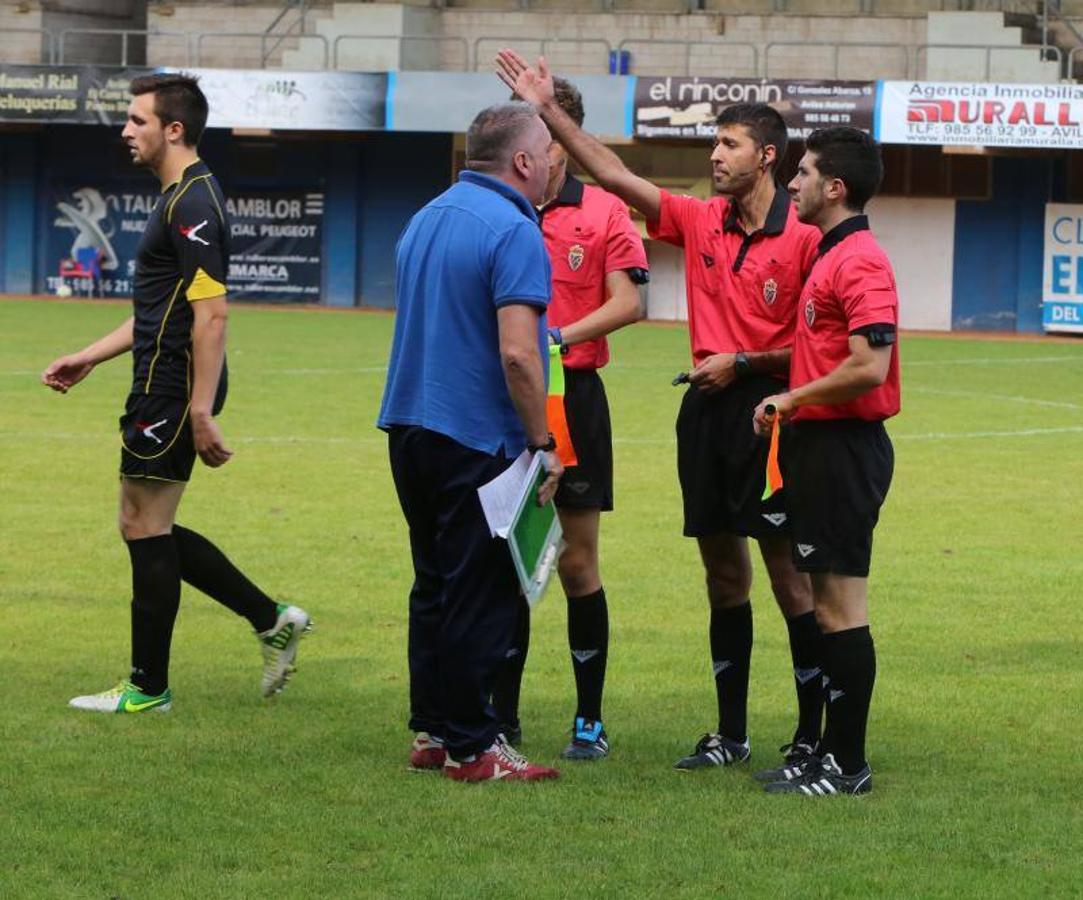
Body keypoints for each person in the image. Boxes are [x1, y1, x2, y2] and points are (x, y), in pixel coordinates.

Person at [496, 52, 826, 776]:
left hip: (770, 414)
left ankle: (810, 735)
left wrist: (743, 362)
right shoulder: (699, 220)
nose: (713, 156)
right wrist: (547, 110)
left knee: (788, 579)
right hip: (704, 413)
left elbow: (818, 346)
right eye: (713, 144)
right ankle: (730, 733)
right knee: (721, 576)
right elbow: (612, 174)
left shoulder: (805, 237)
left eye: (728, 145)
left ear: (766, 157)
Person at [41, 74, 311, 714]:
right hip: (159, 378)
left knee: (143, 523)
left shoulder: (192, 202)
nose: (126, 131)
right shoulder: (177, 197)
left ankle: (148, 687)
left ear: (173, 129)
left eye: (136, 120)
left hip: (171, 386)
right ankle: (269, 619)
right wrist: (89, 356)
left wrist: (197, 407)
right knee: (144, 523)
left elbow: (211, 314)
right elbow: (156, 311)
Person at [378, 102, 564, 783]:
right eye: (548, 153)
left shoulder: (426, 216)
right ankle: (473, 746)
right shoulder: (514, 229)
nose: (553, 166)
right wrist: (541, 442)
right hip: (475, 435)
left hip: (408, 426)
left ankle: (431, 730)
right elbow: (519, 354)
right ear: (521, 161)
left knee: (432, 584)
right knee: (476, 593)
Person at [490, 77, 649, 762]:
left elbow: (631, 303)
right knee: (502, 561)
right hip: (500, 397)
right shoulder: (498, 210)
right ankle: (501, 715)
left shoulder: (605, 212)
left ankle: (588, 719)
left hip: (573, 397)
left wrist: (557, 335)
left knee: (577, 564)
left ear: (561, 142)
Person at [753, 127, 900, 796]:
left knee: (841, 610)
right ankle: (824, 754)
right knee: (821, 608)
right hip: (816, 447)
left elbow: (871, 366)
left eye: (803, 172)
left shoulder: (860, 260)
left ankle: (847, 765)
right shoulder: (828, 253)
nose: (791, 182)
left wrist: (790, 398)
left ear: (833, 187)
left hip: (843, 448)